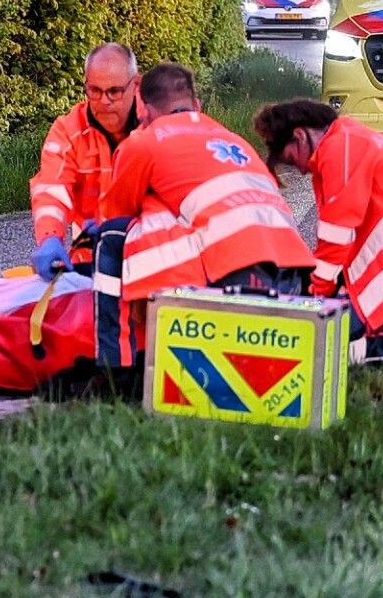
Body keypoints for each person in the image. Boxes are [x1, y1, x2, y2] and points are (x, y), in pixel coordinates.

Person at [94, 64, 312, 388]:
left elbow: (116, 214)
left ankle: (114, 370)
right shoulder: (234, 140)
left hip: (238, 273)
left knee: (110, 238)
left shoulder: (144, 142)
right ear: (197, 105)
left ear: (143, 108)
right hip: (297, 273)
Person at [252, 98, 383, 358]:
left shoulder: (339, 151)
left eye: (290, 158)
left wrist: (314, 302)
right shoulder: (352, 139)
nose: (299, 170)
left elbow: (336, 240)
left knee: (319, 347)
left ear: (300, 135)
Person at [30, 42, 140, 281]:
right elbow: (51, 191)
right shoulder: (68, 131)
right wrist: (50, 238)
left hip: (149, 254)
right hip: (92, 259)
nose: (104, 101)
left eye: (115, 91)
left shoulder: (156, 125)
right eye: (95, 91)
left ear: (136, 85)